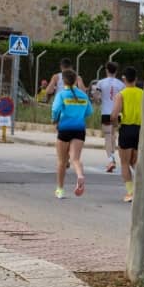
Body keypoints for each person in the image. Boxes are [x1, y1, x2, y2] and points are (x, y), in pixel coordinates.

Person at [50, 69, 92, 199]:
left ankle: (60, 190)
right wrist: (78, 116)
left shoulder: (62, 95)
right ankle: (80, 175)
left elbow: (55, 109)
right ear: (75, 81)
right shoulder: (83, 95)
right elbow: (89, 112)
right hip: (79, 129)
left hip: (64, 128)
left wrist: (54, 120)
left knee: (62, 161)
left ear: (64, 81)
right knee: (75, 159)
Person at [110, 66, 142, 203]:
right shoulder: (143, 93)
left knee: (124, 163)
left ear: (124, 79)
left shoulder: (121, 95)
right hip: (141, 129)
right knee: (136, 162)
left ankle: (130, 192)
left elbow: (113, 115)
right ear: (136, 79)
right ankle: (142, 188)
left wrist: (116, 125)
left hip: (127, 128)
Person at [95, 61, 126, 173]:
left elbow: (97, 97)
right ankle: (112, 157)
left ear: (107, 70)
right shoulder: (121, 84)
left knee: (108, 137)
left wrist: (99, 100)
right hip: (116, 113)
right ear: (116, 71)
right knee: (113, 136)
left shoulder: (101, 83)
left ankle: (111, 160)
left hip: (106, 113)